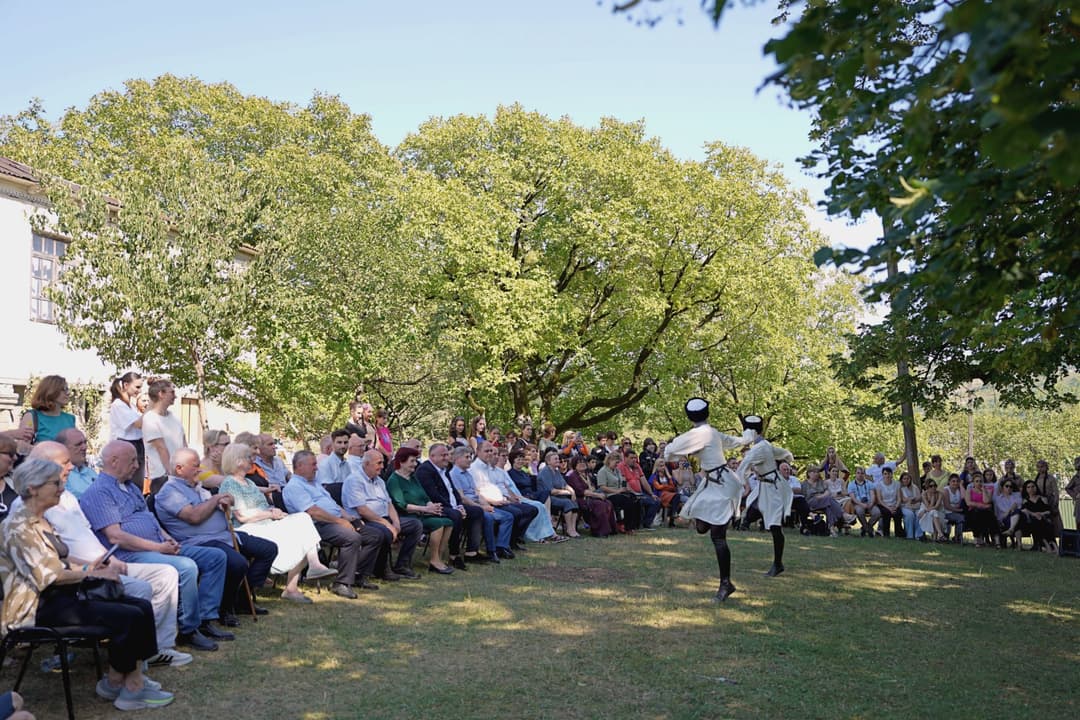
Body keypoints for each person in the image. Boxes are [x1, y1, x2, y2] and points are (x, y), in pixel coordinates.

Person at [1, 459, 174, 711]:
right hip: (35, 609)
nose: (62, 487)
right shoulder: (18, 527)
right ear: (33, 488)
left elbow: (60, 559)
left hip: (59, 597)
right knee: (127, 615)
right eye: (56, 483)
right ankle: (132, 689)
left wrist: (94, 567)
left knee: (140, 606)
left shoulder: (39, 520)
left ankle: (117, 680)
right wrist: (94, 575)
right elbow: (49, 576)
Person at [20, 441, 190, 669]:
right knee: (141, 594)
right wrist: (92, 569)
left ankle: (155, 651)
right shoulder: (26, 518)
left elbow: (84, 538)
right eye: (65, 462)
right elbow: (50, 568)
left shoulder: (67, 497)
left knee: (165, 575)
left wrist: (109, 561)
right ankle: (133, 668)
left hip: (100, 565)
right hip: (64, 590)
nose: (71, 466)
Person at [79, 440, 230, 652]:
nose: (136, 465)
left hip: (157, 545)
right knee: (186, 567)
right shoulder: (99, 493)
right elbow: (116, 537)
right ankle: (189, 629)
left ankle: (206, 618)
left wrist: (167, 538)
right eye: (132, 460)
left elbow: (150, 519)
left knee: (215, 557)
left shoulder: (130, 487)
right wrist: (158, 548)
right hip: (129, 555)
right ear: (113, 461)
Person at [155, 448, 278, 621]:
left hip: (226, 535)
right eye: (195, 466)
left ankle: (241, 598)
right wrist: (216, 499)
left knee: (268, 549)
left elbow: (216, 505)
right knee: (237, 563)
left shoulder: (197, 487)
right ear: (179, 469)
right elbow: (194, 516)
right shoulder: (170, 491)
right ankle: (224, 608)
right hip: (200, 541)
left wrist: (226, 501)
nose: (199, 469)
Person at [218, 443, 335, 603]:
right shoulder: (229, 483)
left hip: (266, 522)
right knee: (301, 530)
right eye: (249, 457)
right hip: (247, 529)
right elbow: (242, 516)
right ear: (238, 461)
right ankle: (299, 580)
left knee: (303, 519)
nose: (253, 460)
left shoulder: (249, 483)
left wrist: (276, 512)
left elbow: (264, 504)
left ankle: (305, 574)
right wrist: (270, 513)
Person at [663, 399, 754, 601]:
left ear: (689, 417)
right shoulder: (710, 432)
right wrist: (749, 432)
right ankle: (726, 582)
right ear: (708, 414)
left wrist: (677, 450)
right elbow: (737, 441)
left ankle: (725, 584)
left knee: (718, 537)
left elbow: (669, 452)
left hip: (722, 485)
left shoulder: (699, 434)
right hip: (712, 483)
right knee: (702, 527)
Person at [282, 451, 381, 598]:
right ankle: (341, 583)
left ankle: (357, 575)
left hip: (333, 521)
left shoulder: (314, 483)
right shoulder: (294, 487)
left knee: (374, 535)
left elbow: (332, 505)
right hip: (315, 527)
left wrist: (347, 517)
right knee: (351, 538)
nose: (316, 468)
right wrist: (340, 521)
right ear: (299, 466)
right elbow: (313, 512)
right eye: (313, 464)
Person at [342, 449, 423, 579]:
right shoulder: (355, 480)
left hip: (383, 518)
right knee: (385, 532)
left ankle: (402, 565)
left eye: (382, 463)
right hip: (365, 520)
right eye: (379, 463)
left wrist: (396, 522)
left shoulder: (379, 481)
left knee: (415, 525)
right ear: (367, 464)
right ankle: (381, 569)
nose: (383, 466)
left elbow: (389, 504)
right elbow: (362, 510)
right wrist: (387, 524)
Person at [386, 447, 455, 574]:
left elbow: (424, 496)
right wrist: (425, 509)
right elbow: (401, 505)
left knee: (448, 521)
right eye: (412, 461)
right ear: (401, 462)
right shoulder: (394, 480)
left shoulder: (413, 477)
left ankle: (438, 557)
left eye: (416, 461)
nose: (415, 464)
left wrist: (432, 506)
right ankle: (434, 560)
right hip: (406, 516)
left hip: (422, 513)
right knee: (438, 524)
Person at [416, 443, 480, 569]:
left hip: (452, 505)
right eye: (443, 455)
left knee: (477, 511)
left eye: (447, 455)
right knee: (455, 516)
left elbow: (453, 491)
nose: (446, 458)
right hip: (435, 506)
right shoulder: (425, 470)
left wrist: (460, 505)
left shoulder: (444, 470)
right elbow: (433, 495)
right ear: (432, 456)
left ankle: (471, 552)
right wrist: (455, 508)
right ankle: (453, 555)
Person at [449, 446, 509, 562]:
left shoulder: (467, 474)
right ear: (457, 458)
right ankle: (490, 551)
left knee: (507, 516)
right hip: (466, 506)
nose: (470, 459)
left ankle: (502, 547)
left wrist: (487, 505)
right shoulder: (454, 474)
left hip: (477, 504)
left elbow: (477, 493)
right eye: (466, 457)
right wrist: (482, 507)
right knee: (487, 517)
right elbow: (462, 497)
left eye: (470, 456)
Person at [141, 378, 187, 494]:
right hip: (163, 477)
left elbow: (184, 444)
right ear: (161, 394)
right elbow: (161, 448)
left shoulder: (174, 417)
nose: (175, 396)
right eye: (171, 392)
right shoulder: (150, 419)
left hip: (182, 475)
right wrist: (172, 474)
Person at [565, 455, 617, 537]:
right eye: (579, 463)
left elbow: (593, 487)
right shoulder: (573, 476)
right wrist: (597, 495)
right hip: (581, 499)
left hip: (591, 496)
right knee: (600, 505)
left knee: (608, 503)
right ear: (575, 465)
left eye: (583, 462)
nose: (582, 464)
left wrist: (596, 493)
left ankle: (611, 529)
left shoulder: (587, 475)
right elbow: (581, 491)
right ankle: (600, 531)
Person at [18, 375, 76, 448]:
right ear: (50, 391)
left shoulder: (70, 419)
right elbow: (22, 448)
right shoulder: (32, 417)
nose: (68, 393)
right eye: (64, 389)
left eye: (68, 389)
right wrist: (42, 450)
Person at [595, 451, 642, 532]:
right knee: (627, 501)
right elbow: (602, 487)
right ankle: (627, 527)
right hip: (609, 494)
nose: (617, 465)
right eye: (616, 462)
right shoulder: (603, 471)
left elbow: (622, 481)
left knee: (635, 499)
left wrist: (625, 488)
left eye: (618, 463)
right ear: (610, 460)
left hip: (620, 492)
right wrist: (617, 491)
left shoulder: (617, 470)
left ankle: (634, 525)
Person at [109, 371, 145, 471]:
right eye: (137, 387)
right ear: (126, 385)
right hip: (125, 444)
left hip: (138, 444)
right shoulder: (118, 404)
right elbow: (138, 424)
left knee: (137, 481)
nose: (139, 390)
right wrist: (152, 404)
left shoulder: (131, 406)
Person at [618, 451, 660, 529]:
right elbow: (624, 482)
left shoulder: (637, 466)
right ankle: (637, 524)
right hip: (628, 493)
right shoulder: (621, 466)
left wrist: (651, 494)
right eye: (631, 458)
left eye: (635, 458)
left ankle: (647, 524)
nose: (634, 460)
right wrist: (633, 493)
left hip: (640, 493)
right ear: (625, 458)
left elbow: (644, 481)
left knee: (655, 501)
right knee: (638, 501)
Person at [55, 428, 96, 499]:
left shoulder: (91, 472)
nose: (84, 447)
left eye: (85, 442)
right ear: (63, 449)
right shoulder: (61, 476)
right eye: (78, 444)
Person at [804, 465, 844, 537]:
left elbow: (827, 492)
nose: (817, 474)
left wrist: (821, 496)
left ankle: (831, 529)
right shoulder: (804, 484)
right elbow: (804, 498)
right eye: (814, 472)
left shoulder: (820, 482)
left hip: (823, 501)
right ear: (809, 473)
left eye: (817, 472)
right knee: (829, 499)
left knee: (828, 508)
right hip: (811, 502)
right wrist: (820, 497)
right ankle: (843, 515)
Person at [1020, 480, 1056, 552]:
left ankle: (1050, 545)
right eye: (1028, 487)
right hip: (1031, 521)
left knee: (1042, 522)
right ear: (1026, 489)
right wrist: (1034, 514)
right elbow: (1023, 510)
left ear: (1036, 487)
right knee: (1036, 521)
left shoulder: (1043, 498)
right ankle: (1046, 544)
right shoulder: (1025, 501)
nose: (1031, 489)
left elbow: (1048, 511)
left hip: (1044, 518)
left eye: (1033, 486)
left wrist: (1040, 514)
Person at [964, 472, 996, 547]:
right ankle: (977, 539)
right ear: (973, 482)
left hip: (983, 512)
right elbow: (968, 503)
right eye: (977, 481)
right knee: (976, 514)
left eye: (980, 481)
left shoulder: (986, 490)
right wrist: (981, 505)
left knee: (988, 514)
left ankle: (992, 540)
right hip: (972, 511)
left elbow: (986, 501)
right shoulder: (969, 490)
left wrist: (984, 490)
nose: (979, 483)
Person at [847, 467, 878, 536]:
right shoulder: (851, 484)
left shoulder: (869, 483)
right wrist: (861, 504)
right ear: (855, 474)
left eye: (862, 473)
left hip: (869, 503)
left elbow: (873, 495)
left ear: (864, 474)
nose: (860, 475)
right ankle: (868, 529)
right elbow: (853, 498)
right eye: (858, 473)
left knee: (877, 512)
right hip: (858, 504)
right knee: (860, 511)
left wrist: (871, 503)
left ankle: (865, 527)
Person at [873, 467, 903, 537]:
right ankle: (886, 534)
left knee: (898, 513)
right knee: (886, 513)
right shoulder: (879, 485)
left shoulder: (897, 484)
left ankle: (899, 534)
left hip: (894, 504)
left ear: (892, 474)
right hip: (883, 505)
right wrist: (889, 508)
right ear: (882, 475)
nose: (887, 476)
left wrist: (896, 507)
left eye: (889, 474)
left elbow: (899, 498)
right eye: (885, 474)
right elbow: (879, 500)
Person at [993, 480, 1022, 548]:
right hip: (1004, 519)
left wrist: (1009, 511)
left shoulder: (1016, 495)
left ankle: (1011, 530)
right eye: (1007, 486)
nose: (1009, 488)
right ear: (1002, 487)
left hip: (1016, 516)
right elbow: (997, 513)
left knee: (1018, 513)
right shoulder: (998, 499)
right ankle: (1019, 544)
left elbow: (1018, 504)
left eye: (1011, 486)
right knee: (1018, 521)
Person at [898, 471, 922, 539]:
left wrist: (912, 500)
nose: (906, 480)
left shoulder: (915, 487)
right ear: (901, 480)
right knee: (910, 515)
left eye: (908, 478)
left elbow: (919, 497)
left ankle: (919, 535)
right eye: (904, 478)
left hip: (916, 506)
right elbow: (903, 499)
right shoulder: (900, 488)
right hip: (905, 506)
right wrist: (913, 499)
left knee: (919, 514)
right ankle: (910, 535)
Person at [1065, 456, 1080, 532]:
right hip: (1079, 502)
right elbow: (1067, 488)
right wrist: (1075, 495)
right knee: (1079, 521)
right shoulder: (1076, 477)